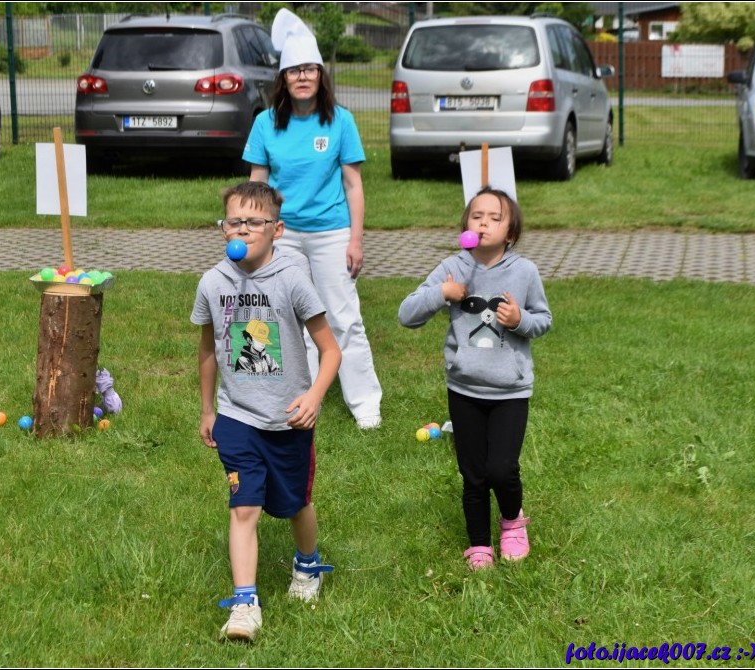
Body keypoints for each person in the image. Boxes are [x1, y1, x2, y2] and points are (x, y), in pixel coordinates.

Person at [192, 181, 342, 642]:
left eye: (253, 222)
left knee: (295, 504)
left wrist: (315, 396)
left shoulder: (292, 279)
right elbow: (207, 351)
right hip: (236, 416)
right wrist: (207, 410)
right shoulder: (214, 283)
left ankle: (308, 564)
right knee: (244, 507)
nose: (242, 229)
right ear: (223, 228)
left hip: (288, 418)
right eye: (233, 221)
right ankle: (245, 603)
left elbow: (330, 350)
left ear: (276, 229)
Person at [397, 187, 552, 571]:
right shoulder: (452, 267)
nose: (483, 223)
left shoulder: (524, 272)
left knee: (502, 468)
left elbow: (543, 320)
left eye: (494, 218)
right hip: (464, 386)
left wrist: (520, 321)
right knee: (473, 472)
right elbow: (406, 314)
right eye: (476, 216)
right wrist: (441, 293)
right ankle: (479, 544)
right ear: (465, 225)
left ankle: (513, 521)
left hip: (510, 390)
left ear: (510, 233)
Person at [242, 8, 383, 430]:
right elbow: (257, 187)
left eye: (310, 70)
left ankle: (366, 405)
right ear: (282, 79)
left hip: (331, 233)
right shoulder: (266, 124)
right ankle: (296, 399)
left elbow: (353, 185)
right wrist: (253, 235)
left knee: (342, 317)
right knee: (287, 317)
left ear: (321, 76)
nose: (302, 77)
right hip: (282, 235)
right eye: (294, 71)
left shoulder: (341, 121)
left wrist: (355, 240)